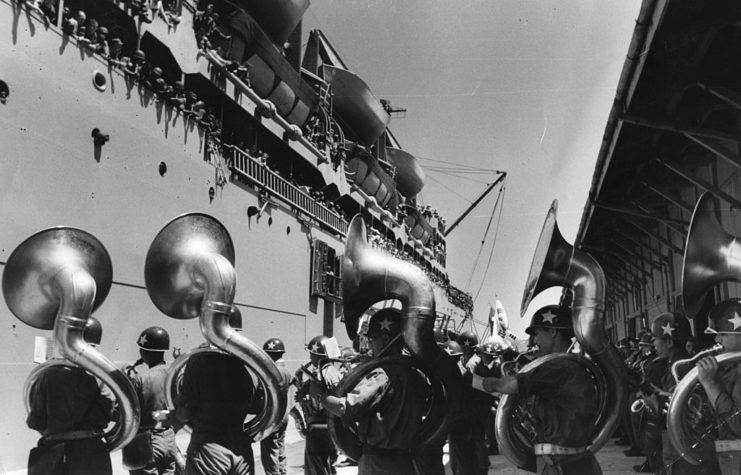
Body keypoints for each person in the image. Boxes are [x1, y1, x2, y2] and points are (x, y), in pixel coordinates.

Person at [476, 304, 603, 475]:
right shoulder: (571, 364)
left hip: (560, 466)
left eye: (536, 333)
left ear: (552, 332)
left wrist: (483, 382)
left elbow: (508, 385)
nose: (534, 341)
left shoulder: (557, 365)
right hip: (574, 462)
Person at [313, 308, 429, 475]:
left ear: (386, 338)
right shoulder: (415, 374)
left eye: (373, 339)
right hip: (405, 461)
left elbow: (347, 408)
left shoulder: (382, 374)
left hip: (380, 464)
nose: (370, 344)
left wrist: (320, 395)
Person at [26, 316, 117, 475]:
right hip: (91, 453)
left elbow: (35, 422)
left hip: (56, 453)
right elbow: (110, 413)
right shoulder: (101, 376)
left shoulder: (47, 376)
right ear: (94, 346)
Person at [174, 314, 260, 475]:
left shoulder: (199, 361)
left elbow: (184, 413)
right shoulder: (253, 366)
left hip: (209, 448)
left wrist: (176, 413)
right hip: (241, 449)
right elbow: (257, 408)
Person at [124, 326, 185, 474]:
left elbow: (122, 413)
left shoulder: (140, 379)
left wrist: (126, 382)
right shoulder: (175, 375)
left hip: (144, 442)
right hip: (169, 441)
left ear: (143, 352)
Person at [697, 298, 741, 475]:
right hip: (730, 458)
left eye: (723, 334)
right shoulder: (731, 366)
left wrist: (710, 383)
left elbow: (737, 426)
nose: (716, 339)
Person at [293, 335, 341, 475]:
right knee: (328, 466)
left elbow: (318, 404)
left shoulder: (320, 376)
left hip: (318, 428)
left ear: (320, 355)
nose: (310, 358)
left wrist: (304, 402)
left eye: (311, 354)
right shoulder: (334, 373)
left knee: (316, 469)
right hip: (331, 428)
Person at [260, 337, 295, 475]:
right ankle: (282, 472)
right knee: (280, 449)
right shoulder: (286, 370)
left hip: (273, 416)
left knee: (270, 453)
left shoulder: (273, 371)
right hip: (283, 415)